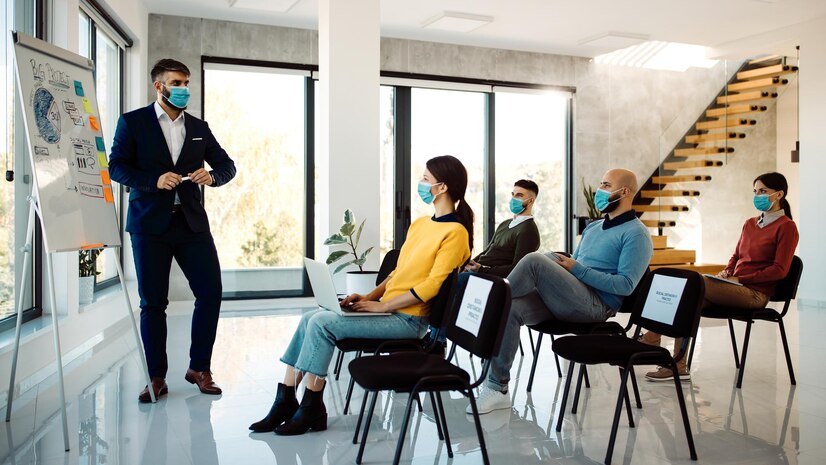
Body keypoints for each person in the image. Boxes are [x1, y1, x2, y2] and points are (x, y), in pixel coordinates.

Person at [250, 155, 473, 436]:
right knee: (311, 318)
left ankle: (311, 406)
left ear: (442, 187)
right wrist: (368, 296)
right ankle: (285, 399)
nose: (421, 183)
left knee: (321, 324)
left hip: (409, 320)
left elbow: (432, 286)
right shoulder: (420, 225)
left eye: (425, 179)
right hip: (390, 310)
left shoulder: (456, 233)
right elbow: (397, 273)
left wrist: (384, 307)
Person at [469, 168, 653, 414]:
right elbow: (575, 266)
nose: (599, 190)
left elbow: (625, 286)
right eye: (600, 183)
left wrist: (576, 269)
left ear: (625, 192)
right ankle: (497, 388)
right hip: (571, 297)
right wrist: (562, 266)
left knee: (534, 260)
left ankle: (487, 306)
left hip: (596, 306)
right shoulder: (593, 228)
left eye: (606, 186)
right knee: (512, 307)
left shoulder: (637, 234)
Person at [109, 58, 236, 403]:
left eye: (186, 83)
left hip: (192, 224)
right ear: (159, 86)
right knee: (153, 303)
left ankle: (199, 368)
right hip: (149, 226)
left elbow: (227, 165)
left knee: (210, 293)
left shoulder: (198, 126)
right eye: (176, 83)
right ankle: (156, 378)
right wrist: (153, 180)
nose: (183, 89)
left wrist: (212, 176)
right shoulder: (133, 123)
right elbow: (116, 167)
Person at [643, 172, 799, 381]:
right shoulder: (749, 223)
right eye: (755, 191)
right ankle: (678, 365)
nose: (757, 195)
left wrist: (741, 279)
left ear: (779, 194)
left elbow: (779, 270)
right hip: (735, 287)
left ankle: (652, 337)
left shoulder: (787, 227)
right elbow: (736, 256)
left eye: (763, 191)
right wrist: (727, 272)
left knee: (693, 282)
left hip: (756, 294)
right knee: (690, 298)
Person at [464, 179, 541, 277]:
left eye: (519, 195)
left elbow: (518, 269)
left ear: (530, 201)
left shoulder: (528, 231)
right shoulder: (505, 224)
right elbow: (487, 252)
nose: (513, 198)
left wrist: (481, 269)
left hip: (490, 278)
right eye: (513, 194)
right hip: (477, 272)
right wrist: (467, 265)